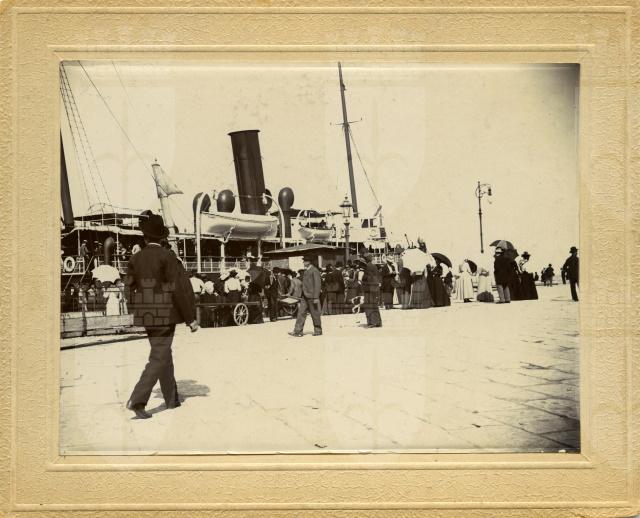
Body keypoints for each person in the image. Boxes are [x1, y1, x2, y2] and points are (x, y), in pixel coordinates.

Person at [125, 211, 198, 420]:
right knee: (159, 356)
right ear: (162, 237)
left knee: (163, 353)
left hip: (147, 314)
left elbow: (128, 287)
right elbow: (180, 289)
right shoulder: (167, 257)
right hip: (165, 314)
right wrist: (191, 318)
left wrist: (136, 307)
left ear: (145, 237)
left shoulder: (136, 258)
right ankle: (137, 400)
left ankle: (171, 398)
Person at [289, 255, 322, 337]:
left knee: (315, 314)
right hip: (304, 296)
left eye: (305, 261)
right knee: (301, 313)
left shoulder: (314, 270)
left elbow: (317, 284)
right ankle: (297, 331)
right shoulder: (307, 270)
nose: (303, 262)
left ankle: (318, 330)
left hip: (312, 296)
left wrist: (316, 297)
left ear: (309, 262)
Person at [361, 253, 382, 327]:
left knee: (369, 306)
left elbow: (368, 278)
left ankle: (372, 322)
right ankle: (378, 322)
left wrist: (362, 278)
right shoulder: (374, 266)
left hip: (369, 289)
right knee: (374, 305)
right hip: (374, 288)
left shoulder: (367, 266)